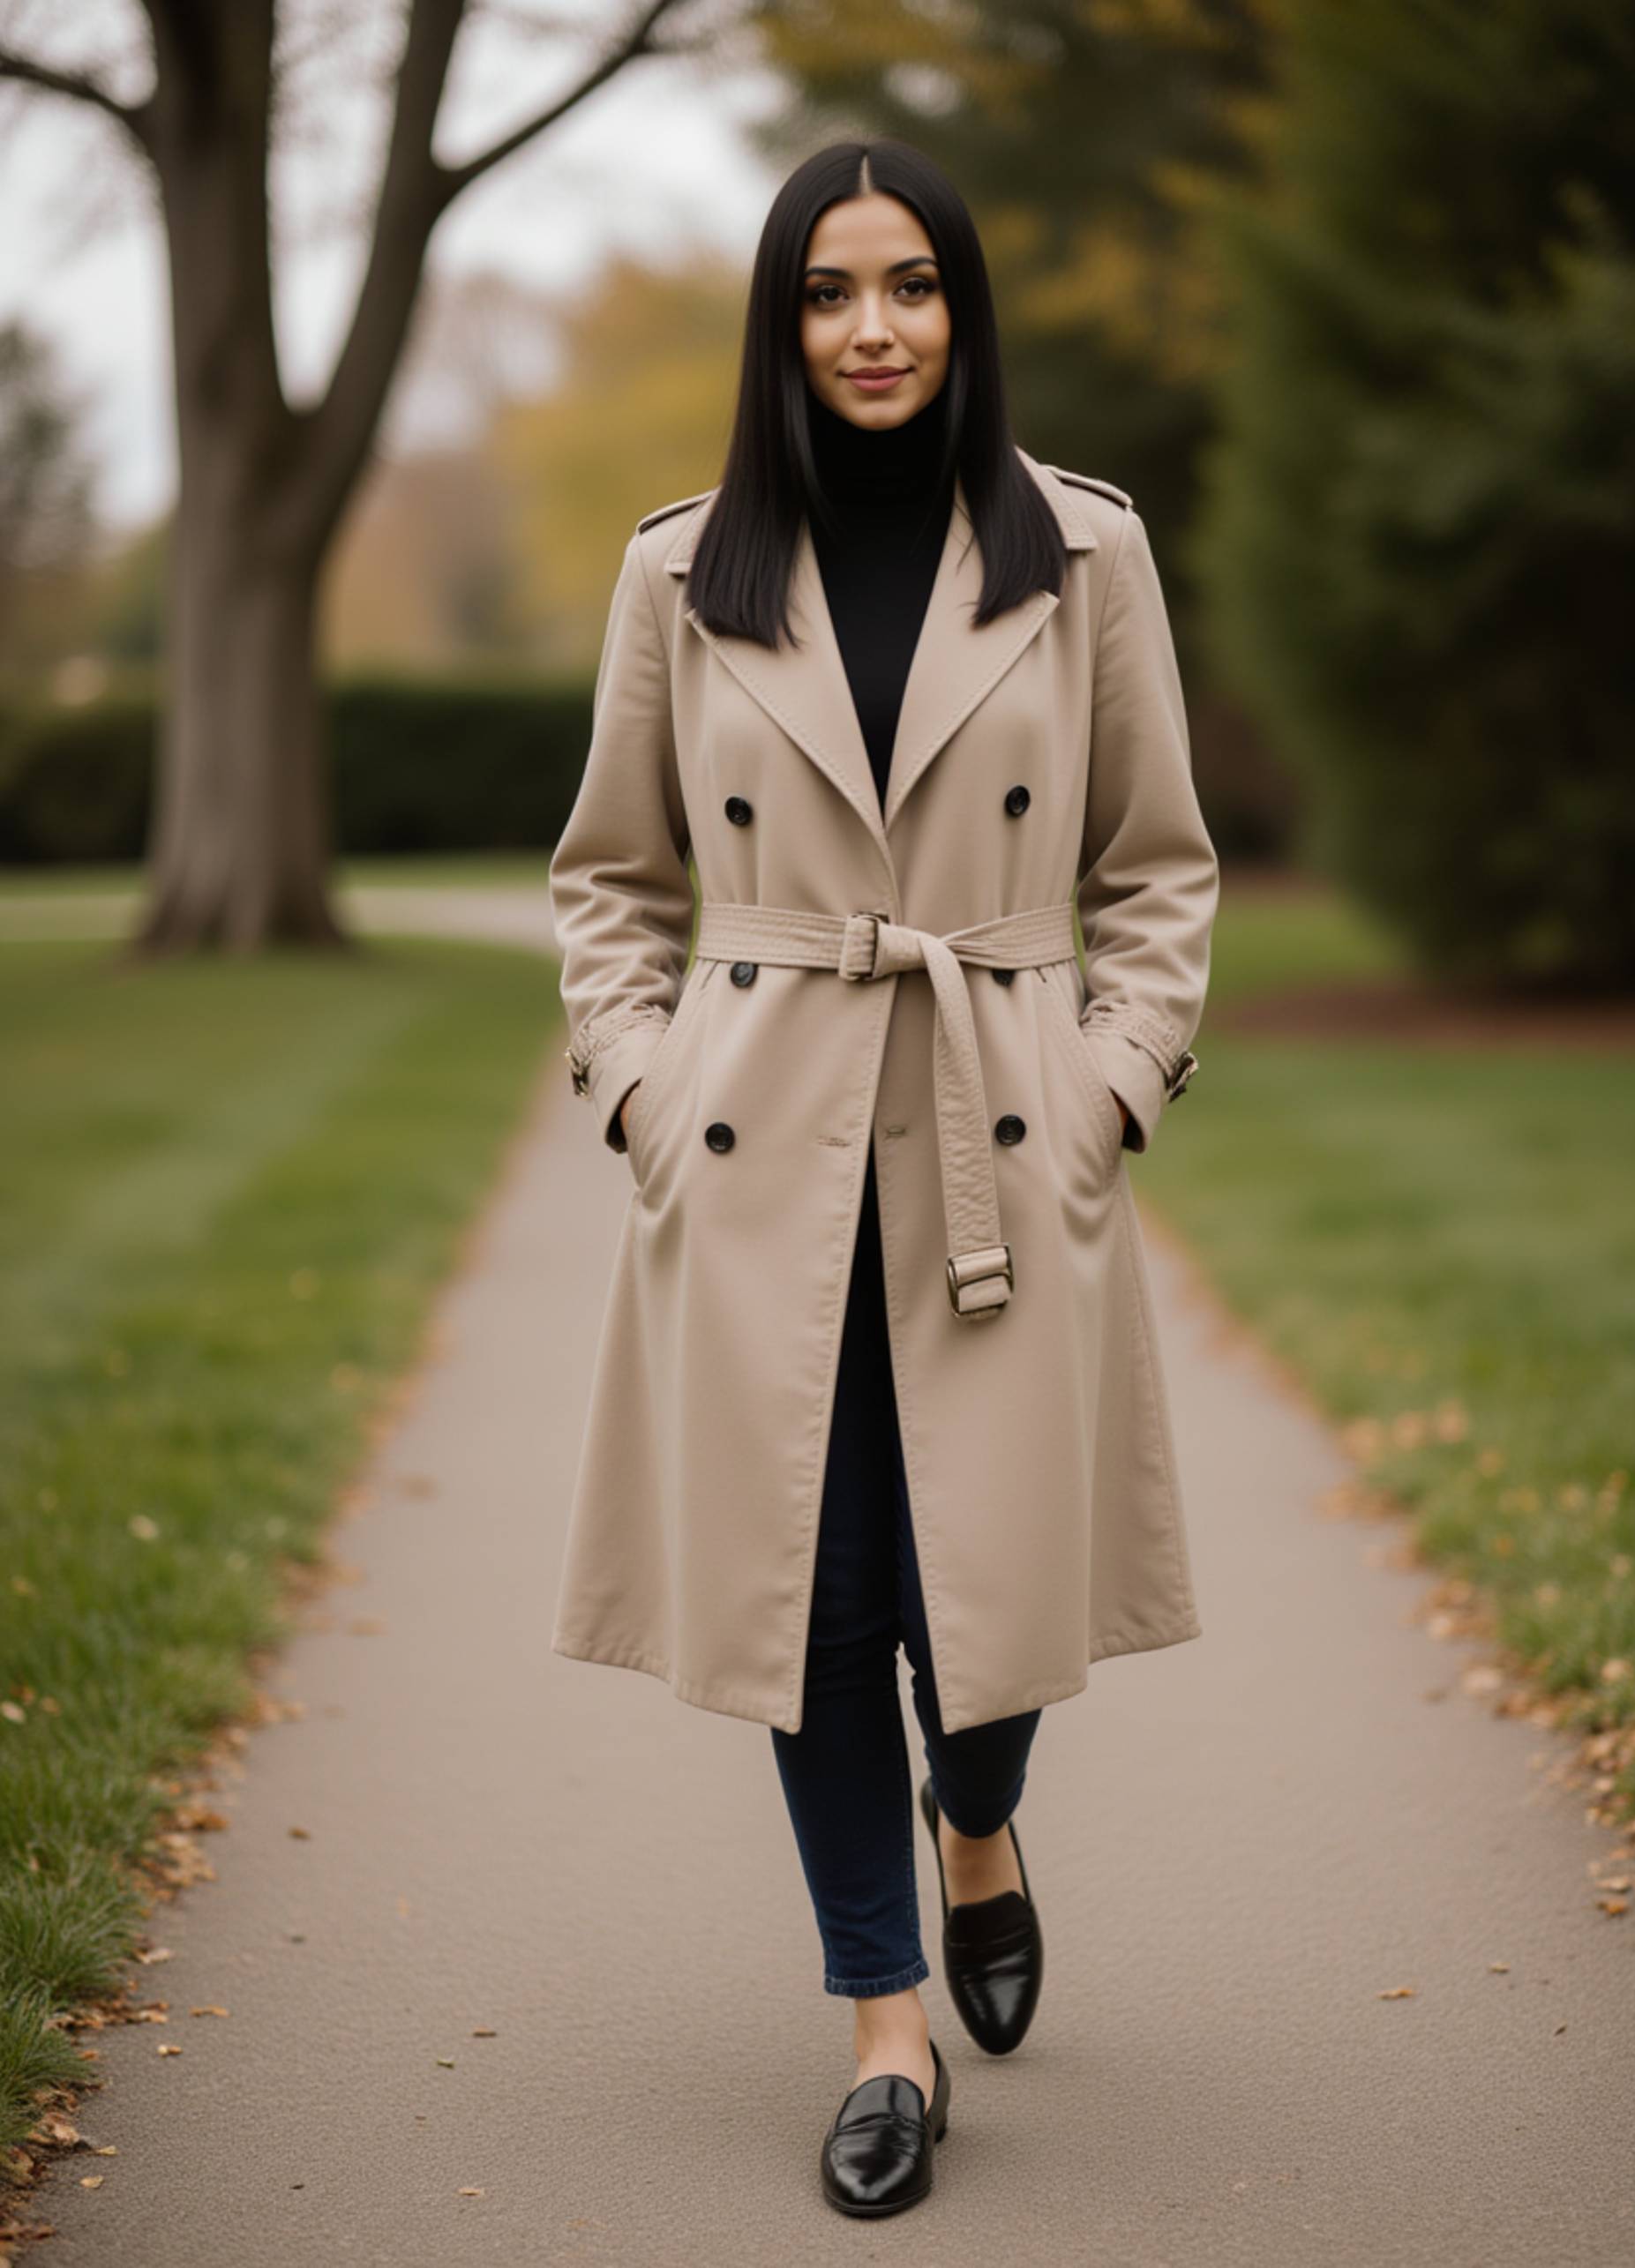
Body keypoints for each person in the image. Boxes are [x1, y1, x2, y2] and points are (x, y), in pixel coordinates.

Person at [548, 138, 1219, 2220]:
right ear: (781, 324)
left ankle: (982, 1817)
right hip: (758, 1160)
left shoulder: (1077, 552)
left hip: (1003, 1131)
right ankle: (880, 2020)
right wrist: (650, 1096)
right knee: (814, 1603)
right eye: (830, 291)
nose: (871, 327)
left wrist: (1109, 1086)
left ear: (961, 310)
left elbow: (1158, 867)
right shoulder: (680, 570)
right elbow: (608, 880)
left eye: (909, 285)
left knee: (985, 1607)